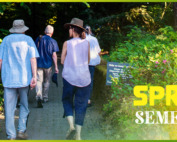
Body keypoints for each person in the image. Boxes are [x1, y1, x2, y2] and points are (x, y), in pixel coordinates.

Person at [0, 19, 39, 140]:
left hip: (9, 79)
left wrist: (2, 75)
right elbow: (33, 59)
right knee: (24, 105)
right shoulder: (28, 40)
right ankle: (21, 130)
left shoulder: (5, 40)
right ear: (23, 29)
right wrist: (34, 76)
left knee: (9, 108)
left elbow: (0, 61)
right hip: (24, 79)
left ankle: (11, 135)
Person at [61, 18, 91, 140]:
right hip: (84, 79)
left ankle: (71, 126)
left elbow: (62, 60)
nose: (69, 30)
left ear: (73, 29)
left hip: (69, 78)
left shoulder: (67, 43)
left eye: (69, 28)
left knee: (67, 101)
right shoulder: (87, 43)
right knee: (81, 105)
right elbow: (88, 60)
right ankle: (78, 135)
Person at [35, 25, 59, 108]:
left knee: (38, 81)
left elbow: (34, 52)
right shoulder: (53, 41)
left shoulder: (39, 39)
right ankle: (45, 97)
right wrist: (56, 67)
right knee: (47, 81)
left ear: (45, 31)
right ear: (52, 33)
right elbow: (54, 55)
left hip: (38, 64)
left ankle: (39, 96)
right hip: (48, 65)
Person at [85, 25, 101, 106]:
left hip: (83, 64)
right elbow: (99, 51)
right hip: (92, 63)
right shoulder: (94, 39)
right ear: (90, 31)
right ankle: (88, 100)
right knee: (90, 82)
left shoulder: (82, 39)